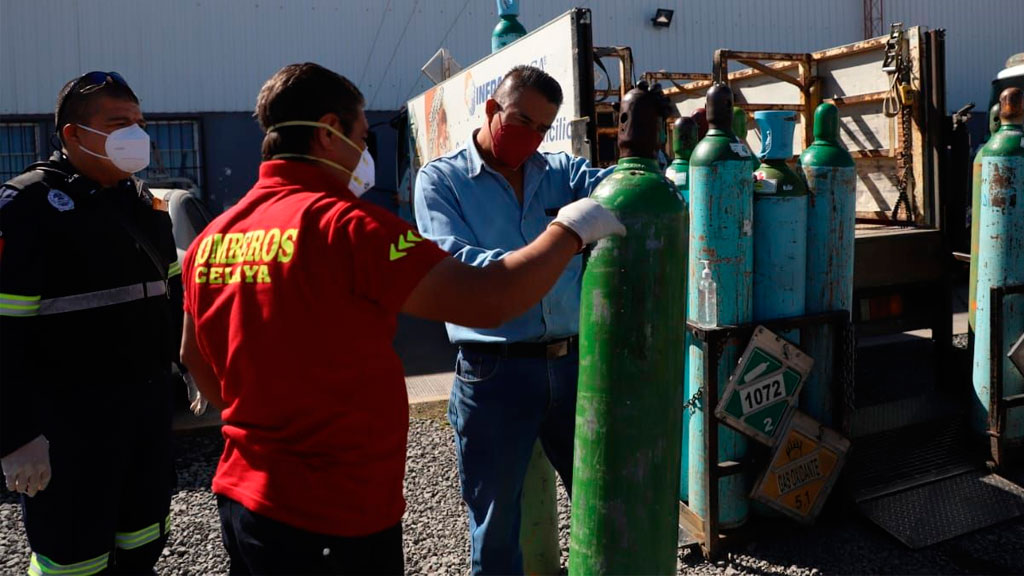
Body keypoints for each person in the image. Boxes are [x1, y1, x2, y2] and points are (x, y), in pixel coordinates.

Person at [178, 62, 624, 575]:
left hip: (245, 497)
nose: (364, 155)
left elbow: (195, 358)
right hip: (336, 508)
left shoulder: (213, 238)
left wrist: (266, 427)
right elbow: (488, 298)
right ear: (328, 133)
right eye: (362, 137)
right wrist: (571, 229)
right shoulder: (352, 228)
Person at [413, 65, 613, 574]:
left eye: (544, 129)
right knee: (496, 524)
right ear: (491, 109)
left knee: (602, 505)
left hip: (573, 365)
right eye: (523, 120)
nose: (533, 137)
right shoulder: (442, 180)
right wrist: (556, 244)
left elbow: (622, 191)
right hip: (493, 371)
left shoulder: (560, 172)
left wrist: (641, 157)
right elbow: (457, 264)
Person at [0, 71, 179, 575]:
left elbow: (172, 298)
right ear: (73, 135)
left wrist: (184, 365)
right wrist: (15, 436)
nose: (136, 135)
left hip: (144, 419)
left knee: (142, 543)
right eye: (119, 123)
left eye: (140, 123)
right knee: (73, 563)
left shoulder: (144, 206)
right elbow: (4, 335)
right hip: (69, 432)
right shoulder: (25, 209)